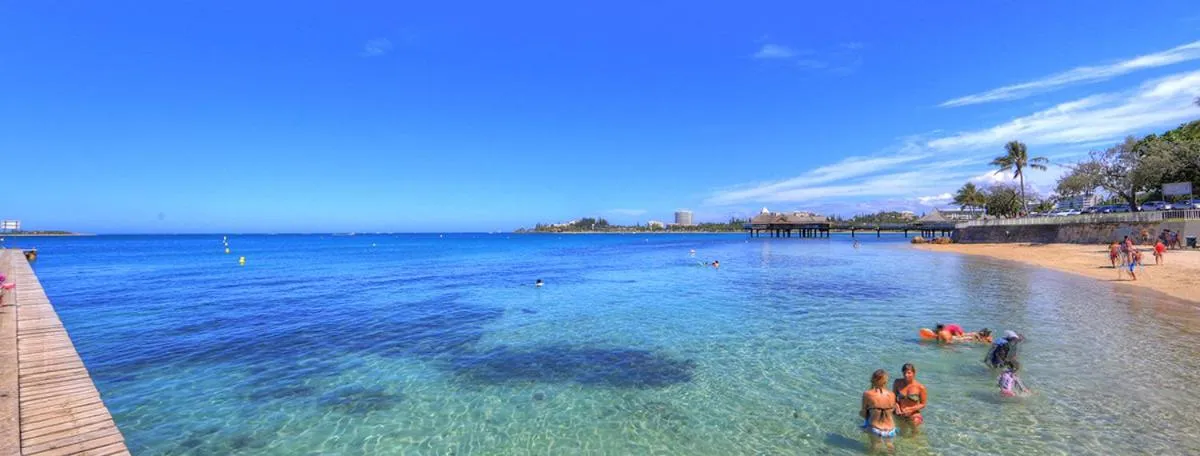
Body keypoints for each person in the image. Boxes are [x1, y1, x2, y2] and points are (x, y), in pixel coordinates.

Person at [860, 369, 897, 452]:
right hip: (890, 429)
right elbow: (892, 412)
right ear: (886, 381)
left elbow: (863, 413)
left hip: (876, 428)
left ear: (873, 380)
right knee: (890, 447)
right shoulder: (892, 394)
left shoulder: (867, 394)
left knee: (875, 447)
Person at [893, 363, 926, 432]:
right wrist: (897, 407)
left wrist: (911, 409)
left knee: (914, 431)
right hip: (900, 413)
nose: (906, 375)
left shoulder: (920, 387)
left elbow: (923, 404)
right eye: (904, 373)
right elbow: (893, 397)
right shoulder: (897, 382)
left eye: (909, 373)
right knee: (902, 432)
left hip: (913, 414)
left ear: (914, 373)